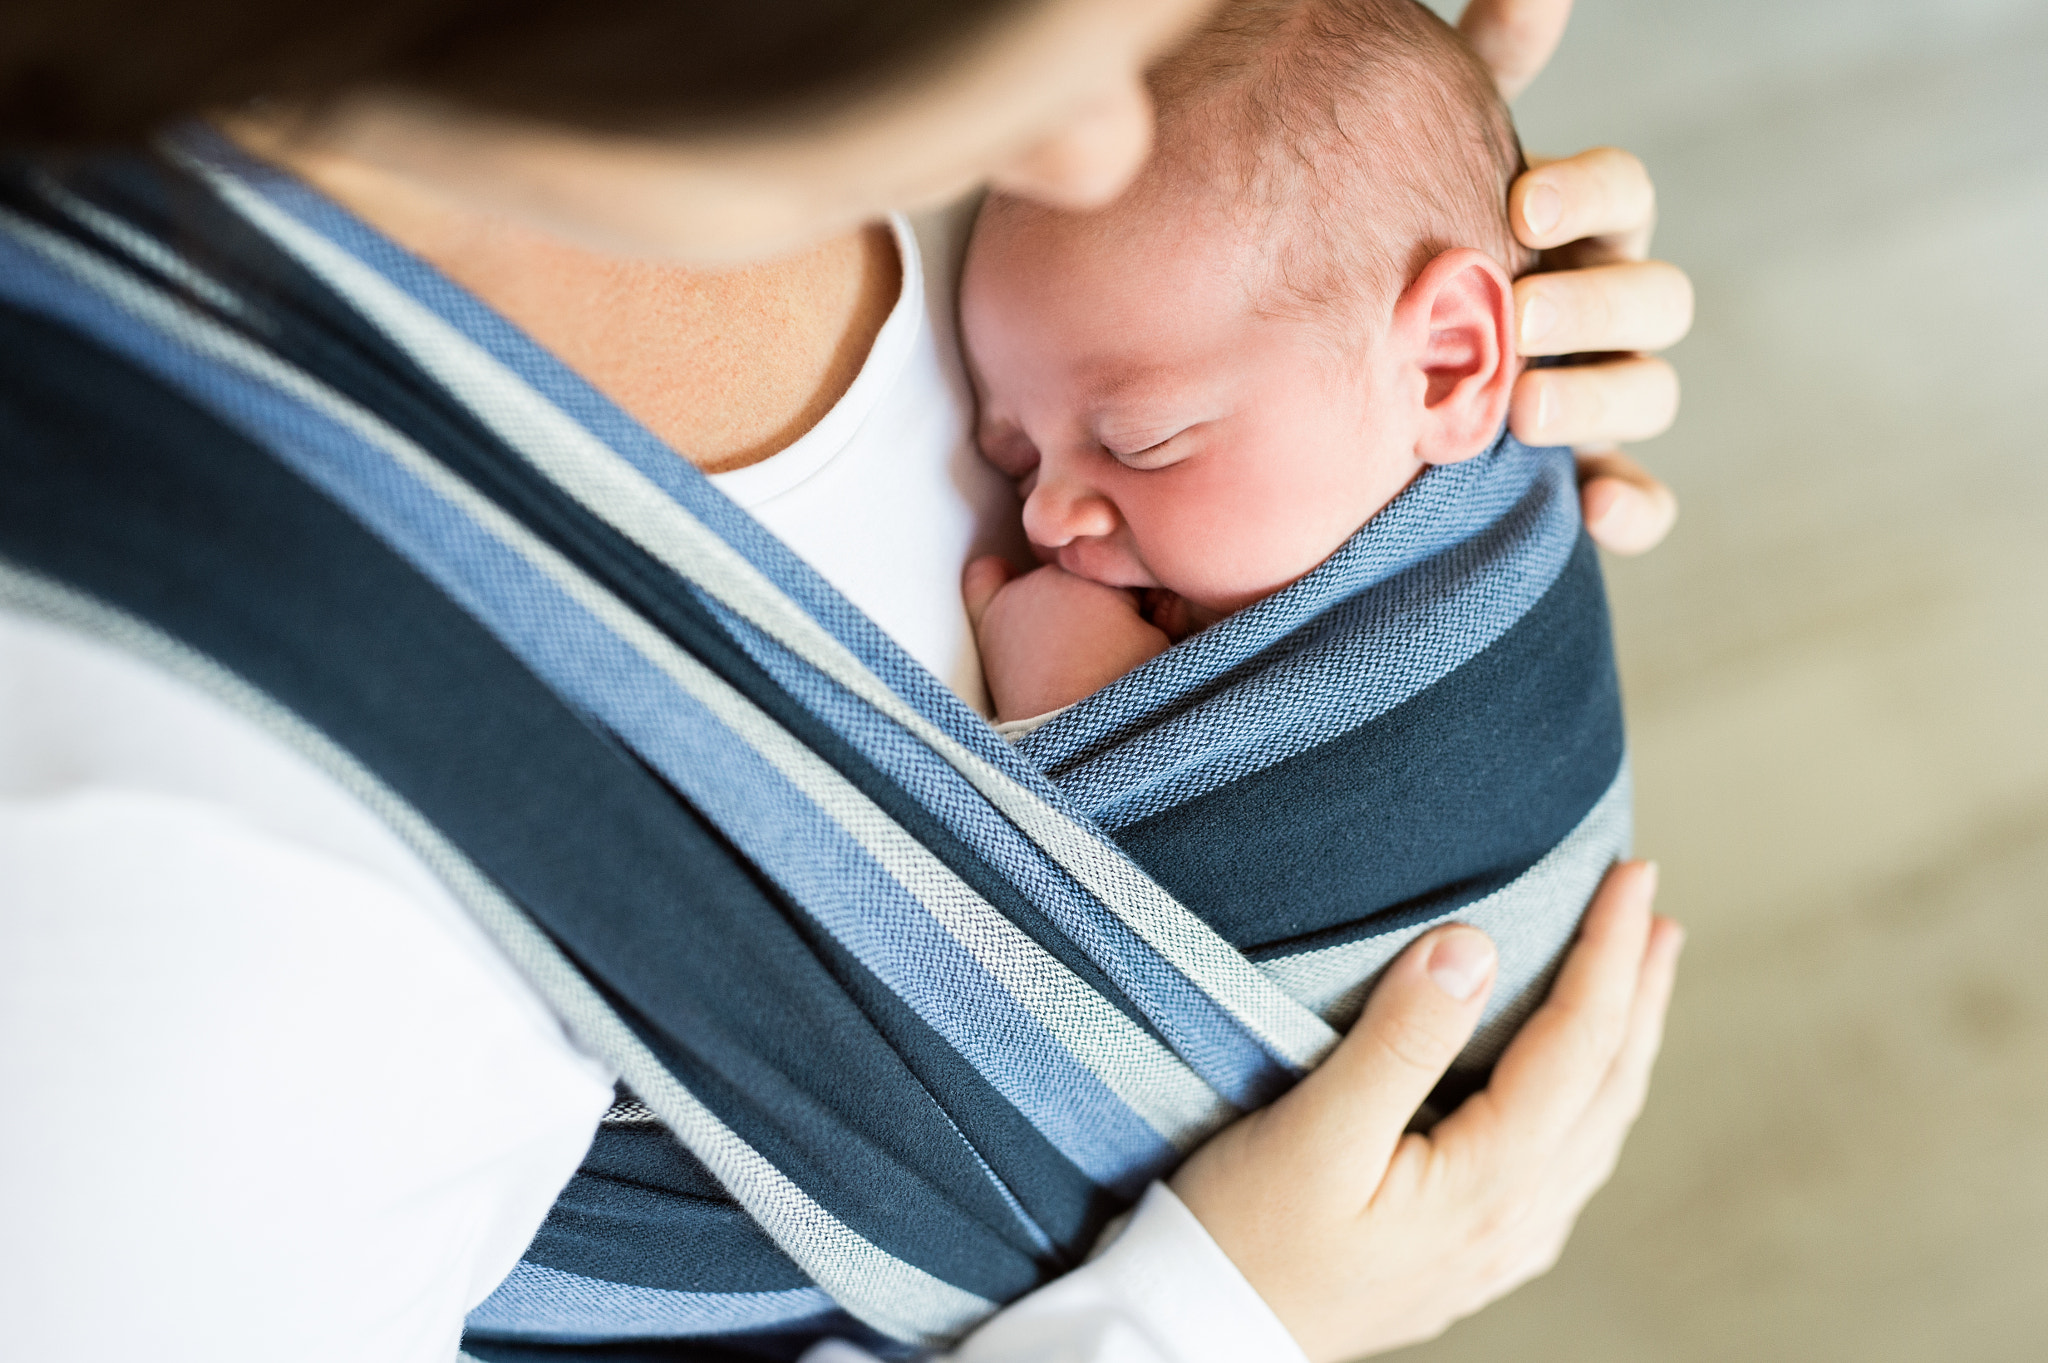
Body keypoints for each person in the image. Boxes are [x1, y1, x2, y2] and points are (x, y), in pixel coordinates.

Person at [0, 3, 1688, 1362]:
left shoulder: (1031, 129)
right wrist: (1208, 1322)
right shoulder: (167, 910)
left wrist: (1436, 457)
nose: (1095, 133)